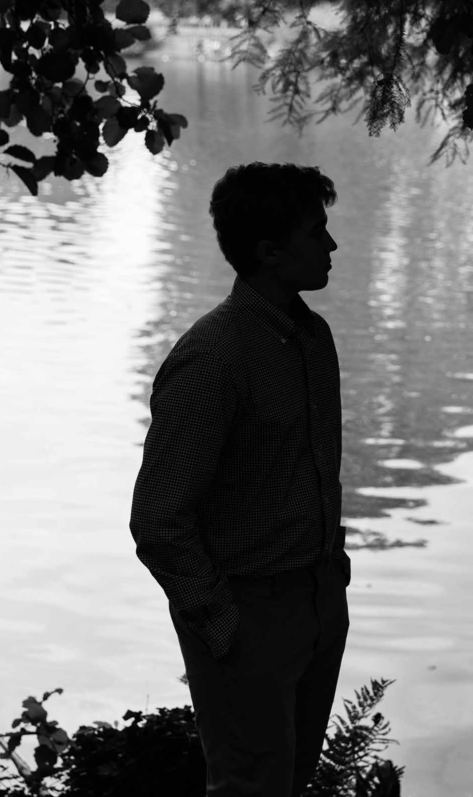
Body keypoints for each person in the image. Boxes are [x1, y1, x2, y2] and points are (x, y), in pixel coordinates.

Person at [129, 161, 349, 797]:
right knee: (251, 787)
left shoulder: (313, 337)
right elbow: (159, 520)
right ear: (269, 253)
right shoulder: (212, 357)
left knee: (290, 781)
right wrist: (225, 627)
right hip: (248, 613)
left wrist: (329, 582)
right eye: (317, 232)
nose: (331, 245)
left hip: (317, 598)